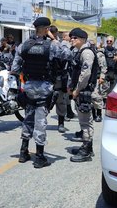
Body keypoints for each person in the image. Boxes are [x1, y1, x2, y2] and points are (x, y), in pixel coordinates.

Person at [11, 17, 72, 168]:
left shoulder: (23, 46)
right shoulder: (51, 46)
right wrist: (56, 39)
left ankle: (23, 152)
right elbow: (68, 55)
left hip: (29, 86)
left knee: (28, 118)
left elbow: (15, 68)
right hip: (44, 87)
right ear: (46, 30)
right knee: (40, 121)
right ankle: (39, 157)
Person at [68, 28, 98, 162]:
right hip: (81, 90)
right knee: (83, 120)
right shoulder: (79, 52)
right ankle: (87, 147)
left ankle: (86, 150)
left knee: (86, 121)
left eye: (74, 37)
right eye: (71, 37)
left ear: (82, 39)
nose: (72, 40)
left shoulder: (86, 52)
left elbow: (85, 74)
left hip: (84, 91)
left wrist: (77, 89)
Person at [50, 27, 70, 133]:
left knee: (60, 99)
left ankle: (61, 123)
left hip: (58, 76)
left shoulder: (61, 44)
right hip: (44, 77)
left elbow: (67, 56)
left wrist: (56, 44)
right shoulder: (40, 42)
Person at [90, 40, 108, 122]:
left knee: (97, 97)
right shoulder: (88, 54)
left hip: (97, 78)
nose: (92, 46)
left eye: (93, 45)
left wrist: (102, 77)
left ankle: (99, 114)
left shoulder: (100, 55)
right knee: (90, 98)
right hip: (89, 78)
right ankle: (93, 115)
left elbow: (103, 67)